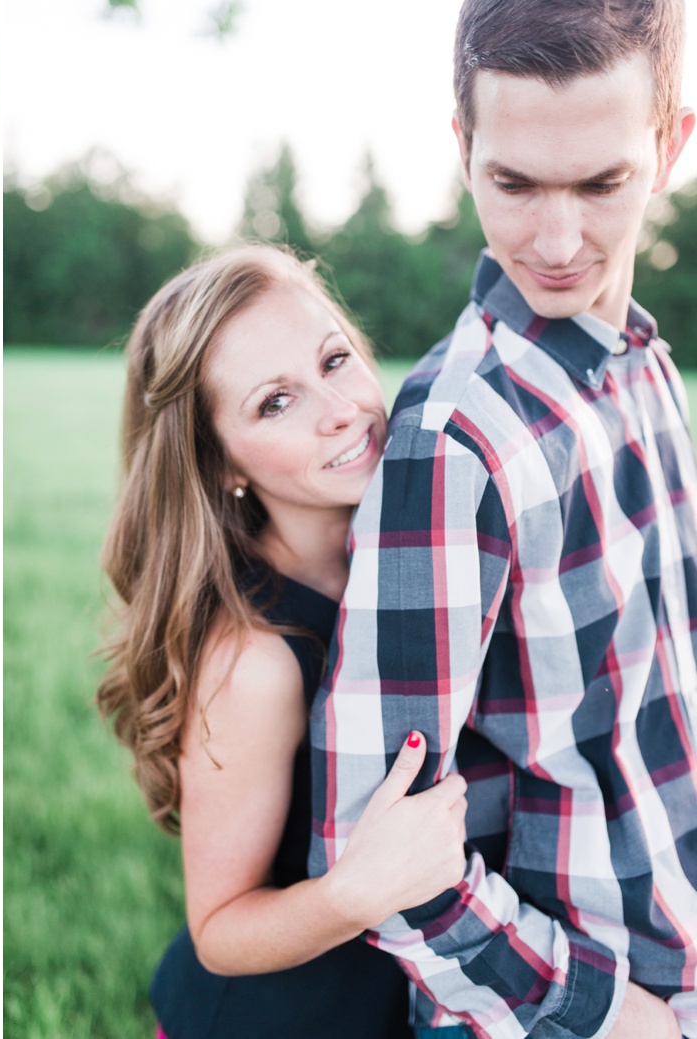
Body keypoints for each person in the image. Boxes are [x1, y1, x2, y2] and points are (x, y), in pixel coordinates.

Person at [310, 1, 697, 1037]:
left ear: (669, 145)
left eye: (601, 183)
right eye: (512, 184)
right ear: (461, 149)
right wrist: (612, 1016)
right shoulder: (452, 439)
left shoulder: (646, 370)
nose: (556, 240)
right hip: (584, 1004)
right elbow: (373, 853)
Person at [97, 244, 470, 1039]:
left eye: (335, 359)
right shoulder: (255, 660)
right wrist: (357, 891)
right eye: (275, 402)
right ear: (221, 461)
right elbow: (220, 927)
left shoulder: (417, 558)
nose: (338, 409)